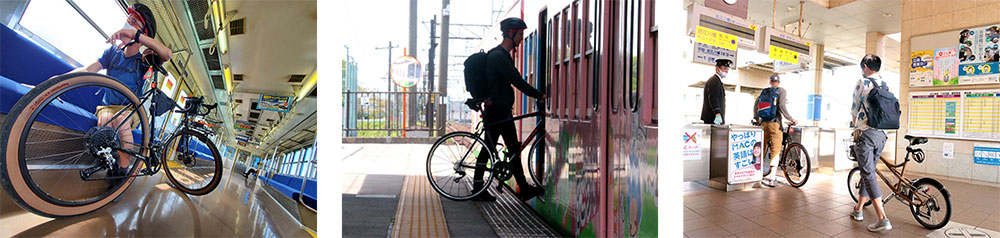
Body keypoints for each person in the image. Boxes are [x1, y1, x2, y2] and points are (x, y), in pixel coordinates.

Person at [71, 3, 172, 180]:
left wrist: (137, 35)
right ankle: (110, 160)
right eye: (128, 19)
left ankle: (121, 173)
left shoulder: (142, 61)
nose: (127, 23)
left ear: (142, 34)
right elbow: (89, 69)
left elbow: (166, 54)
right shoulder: (112, 52)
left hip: (129, 110)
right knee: (106, 120)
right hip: (107, 106)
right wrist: (55, 80)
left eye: (134, 22)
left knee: (121, 122)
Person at [471, 17, 546, 202]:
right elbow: (517, 80)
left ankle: (521, 188)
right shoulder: (498, 57)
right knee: (492, 148)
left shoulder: (502, 56)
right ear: (511, 35)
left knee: (512, 148)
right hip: (497, 110)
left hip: (500, 109)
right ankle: (478, 189)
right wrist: (539, 95)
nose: (521, 38)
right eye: (520, 34)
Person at [848, 54, 892, 232]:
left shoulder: (862, 82)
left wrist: (854, 127)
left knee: (868, 174)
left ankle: (882, 218)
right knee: (869, 172)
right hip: (882, 134)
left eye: (862, 67)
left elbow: (854, 108)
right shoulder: (884, 84)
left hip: (866, 134)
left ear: (865, 67)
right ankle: (858, 209)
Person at [754, 74, 798, 187]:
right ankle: (772, 177)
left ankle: (756, 174)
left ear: (770, 81)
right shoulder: (781, 91)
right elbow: (782, 106)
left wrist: (757, 119)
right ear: (778, 82)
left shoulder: (764, 92)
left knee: (761, 149)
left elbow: (756, 106)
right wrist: (791, 119)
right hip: (775, 124)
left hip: (763, 123)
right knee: (775, 150)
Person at [701, 59, 731, 125]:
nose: (726, 71)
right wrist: (717, 114)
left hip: (713, 120)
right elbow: (713, 98)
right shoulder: (714, 81)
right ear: (717, 69)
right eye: (724, 68)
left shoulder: (718, 81)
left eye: (727, 69)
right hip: (712, 119)